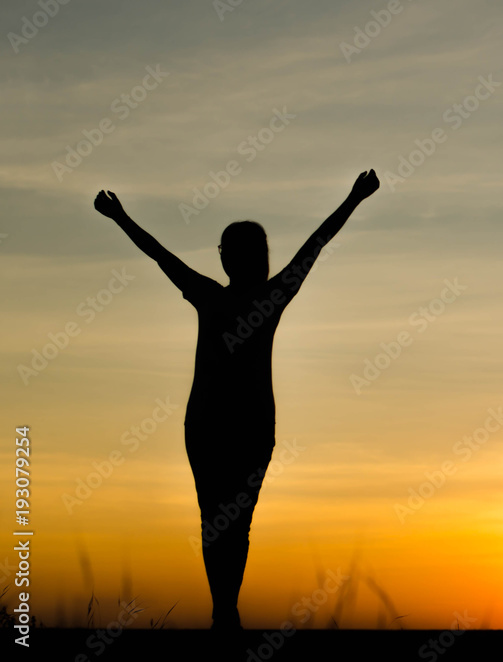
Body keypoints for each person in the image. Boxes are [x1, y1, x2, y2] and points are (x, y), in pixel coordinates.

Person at [93, 170, 380, 629]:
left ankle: (223, 609)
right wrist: (353, 198)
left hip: (220, 426)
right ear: (236, 259)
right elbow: (315, 246)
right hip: (231, 426)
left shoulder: (218, 296)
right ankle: (225, 609)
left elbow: (161, 256)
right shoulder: (259, 296)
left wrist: (121, 218)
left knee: (219, 522)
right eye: (256, 252)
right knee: (231, 523)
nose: (261, 259)